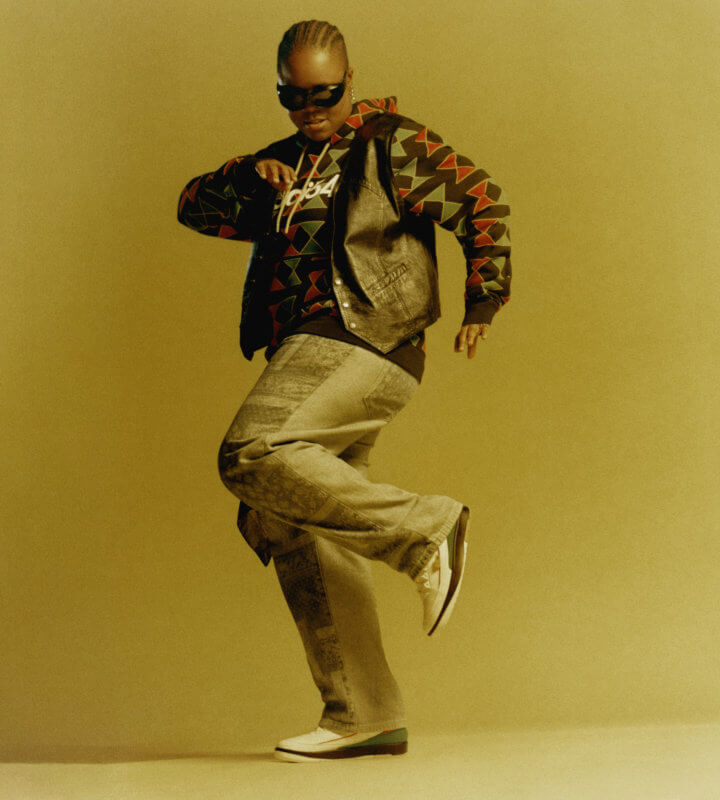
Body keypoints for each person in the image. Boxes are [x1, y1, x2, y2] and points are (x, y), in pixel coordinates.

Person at [177, 19, 511, 762]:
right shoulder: (281, 163)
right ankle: (363, 714)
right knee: (292, 513)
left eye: (323, 95)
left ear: (349, 82)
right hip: (303, 347)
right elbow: (193, 206)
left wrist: (484, 299)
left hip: (365, 336)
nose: (309, 110)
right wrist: (246, 176)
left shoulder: (389, 143)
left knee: (254, 451)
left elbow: (482, 200)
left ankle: (426, 531)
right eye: (292, 97)